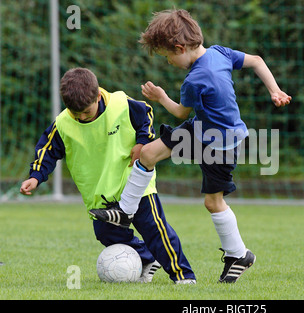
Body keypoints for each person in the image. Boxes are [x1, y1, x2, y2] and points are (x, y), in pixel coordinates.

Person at [89, 9, 291, 283]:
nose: (169, 62)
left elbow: (181, 113)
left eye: (167, 56)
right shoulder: (218, 52)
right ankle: (125, 212)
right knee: (147, 153)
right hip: (202, 129)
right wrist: (274, 90)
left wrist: (160, 97)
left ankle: (239, 254)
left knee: (213, 202)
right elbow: (256, 61)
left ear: (180, 48)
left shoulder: (194, 80)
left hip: (221, 143)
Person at [20, 67, 196, 284]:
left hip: (134, 181)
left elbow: (146, 115)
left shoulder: (121, 104)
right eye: (77, 114)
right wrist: (35, 176)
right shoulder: (63, 124)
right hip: (100, 193)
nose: (82, 117)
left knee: (155, 230)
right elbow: (46, 151)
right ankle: (148, 258)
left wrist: (142, 142)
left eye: (87, 111)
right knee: (106, 234)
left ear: (97, 96)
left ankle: (183, 276)